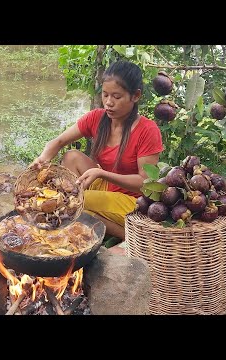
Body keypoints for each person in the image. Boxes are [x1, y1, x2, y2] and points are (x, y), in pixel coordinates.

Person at [31, 60, 163, 254]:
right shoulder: (97, 118)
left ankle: (132, 236)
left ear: (135, 96)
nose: (109, 102)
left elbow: (145, 183)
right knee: (71, 157)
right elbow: (58, 142)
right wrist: (43, 158)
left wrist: (102, 174)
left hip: (133, 200)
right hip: (108, 186)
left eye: (116, 96)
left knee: (74, 203)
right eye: (105, 94)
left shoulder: (147, 130)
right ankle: (80, 215)